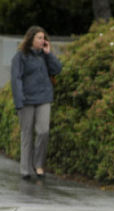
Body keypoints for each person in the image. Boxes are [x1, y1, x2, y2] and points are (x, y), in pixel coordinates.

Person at [11, 26, 62, 180]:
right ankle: (25, 169)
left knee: (43, 131)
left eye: (43, 38)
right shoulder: (20, 57)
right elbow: (16, 79)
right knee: (26, 134)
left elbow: (57, 69)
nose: (42, 40)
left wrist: (49, 54)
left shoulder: (45, 56)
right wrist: (19, 101)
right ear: (31, 39)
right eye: (39, 38)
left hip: (44, 98)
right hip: (26, 100)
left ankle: (38, 165)